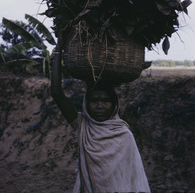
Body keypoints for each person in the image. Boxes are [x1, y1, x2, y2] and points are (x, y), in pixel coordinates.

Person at [51, 34, 151, 193]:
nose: (99, 106)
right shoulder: (83, 126)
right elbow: (56, 93)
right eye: (94, 100)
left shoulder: (124, 136)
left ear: (114, 104)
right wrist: (59, 50)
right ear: (86, 103)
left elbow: (133, 180)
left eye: (105, 101)